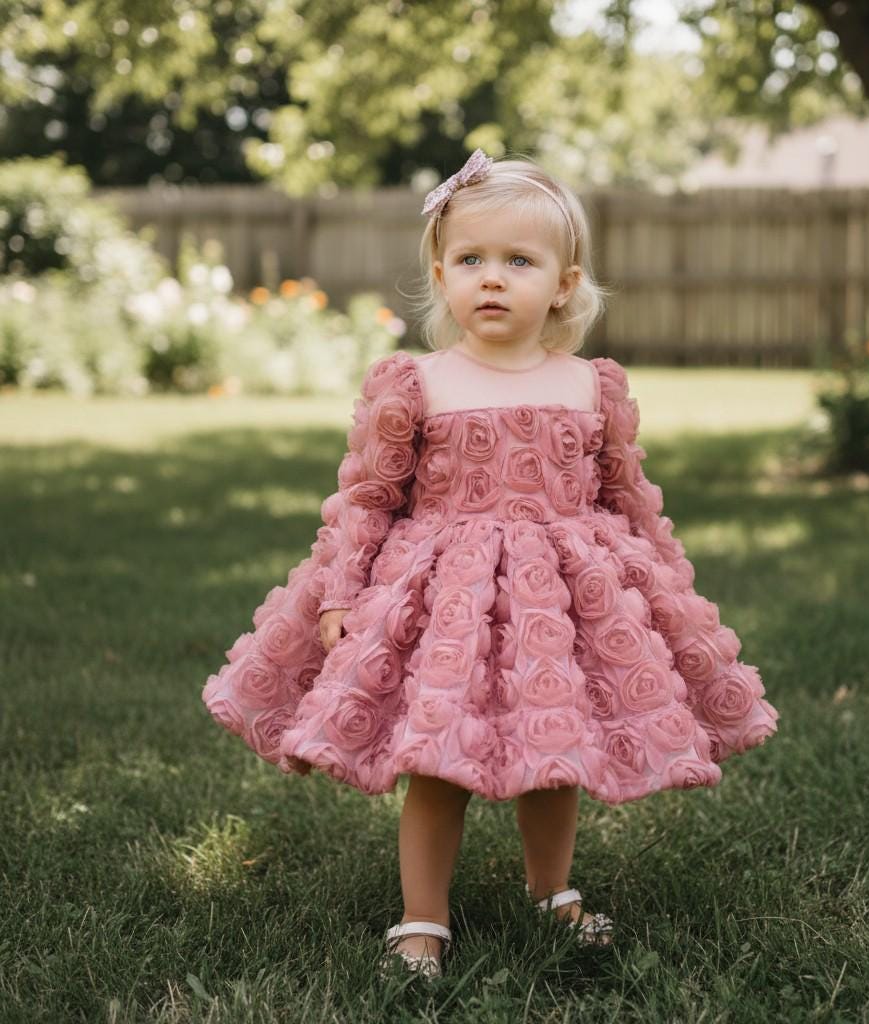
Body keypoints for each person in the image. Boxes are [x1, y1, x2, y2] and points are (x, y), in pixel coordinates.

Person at [201, 148, 780, 982]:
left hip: (564, 601)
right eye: (471, 259)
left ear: (565, 281)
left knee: (556, 749)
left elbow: (627, 496)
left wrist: (662, 582)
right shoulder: (418, 381)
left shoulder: (591, 385)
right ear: (441, 273)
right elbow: (369, 498)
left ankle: (552, 891)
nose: (493, 279)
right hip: (446, 600)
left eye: (519, 260)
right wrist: (341, 587)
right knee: (439, 762)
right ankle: (421, 917)